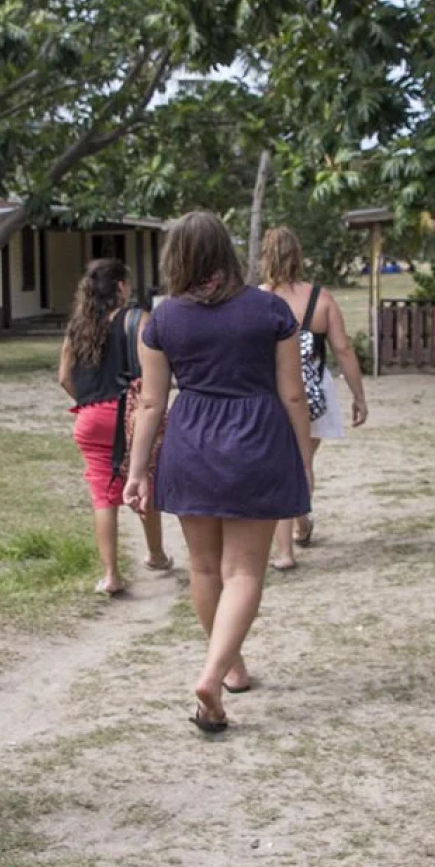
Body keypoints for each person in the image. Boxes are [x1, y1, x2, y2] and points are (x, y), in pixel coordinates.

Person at [124, 212, 312, 733]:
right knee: (244, 572)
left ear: (175, 257)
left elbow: (151, 405)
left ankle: (227, 668)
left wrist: (137, 473)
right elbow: (293, 393)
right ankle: (217, 670)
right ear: (226, 252)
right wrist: (302, 458)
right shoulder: (270, 310)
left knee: (205, 570)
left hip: (191, 443)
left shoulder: (161, 321)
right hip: (256, 438)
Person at [59, 258, 171, 595]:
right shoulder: (137, 319)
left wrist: (92, 400)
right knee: (143, 480)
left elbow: (64, 377)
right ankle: (156, 554)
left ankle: (111, 575)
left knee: (102, 495)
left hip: (89, 417)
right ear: (121, 286)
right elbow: (151, 370)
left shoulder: (77, 326)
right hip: (129, 415)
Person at [260, 226, 369, 569]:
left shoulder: (258, 300)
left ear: (266, 257)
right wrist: (359, 396)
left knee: (279, 466)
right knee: (304, 463)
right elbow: (343, 349)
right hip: (314, 393)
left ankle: (286, 550)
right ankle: (301, 521)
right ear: (299, 256)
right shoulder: (321, 300)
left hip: (272, 390)